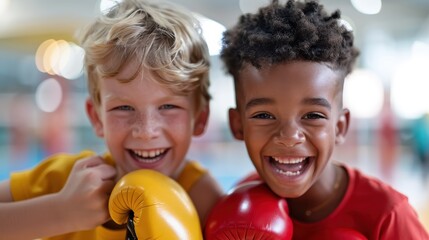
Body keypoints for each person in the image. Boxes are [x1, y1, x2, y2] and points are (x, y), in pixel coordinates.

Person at [0, 0, 223, 239]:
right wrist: (61, 212)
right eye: (124, 108)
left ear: (200, 118)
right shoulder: (64, 180)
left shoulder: (206, 201)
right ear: (96, 117)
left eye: (168, 106)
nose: (146, 131)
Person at [217, 0, 429, 239]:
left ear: (340, 127)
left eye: (313, 115)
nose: (288, 137)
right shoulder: (238, 203)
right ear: (237, 125)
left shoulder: (388, 213)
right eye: (264, 115)